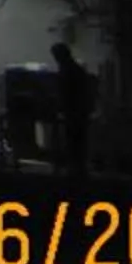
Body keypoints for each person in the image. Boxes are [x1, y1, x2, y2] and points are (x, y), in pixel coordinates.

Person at [51, 42, 98, 176]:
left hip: (74, 111)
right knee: (78, 140)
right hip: (79, 111)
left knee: (74, 140)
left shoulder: (67, 70)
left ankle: (75, 168)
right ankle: (79, 167)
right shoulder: (75, 68)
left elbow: (65, 92)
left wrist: (60, 105)